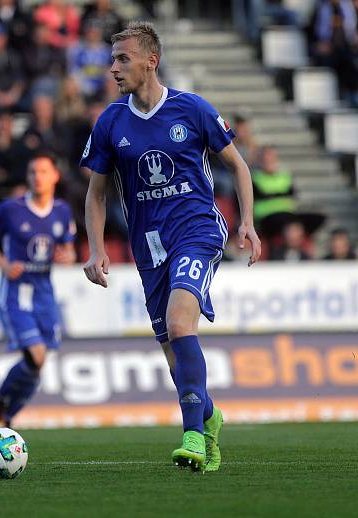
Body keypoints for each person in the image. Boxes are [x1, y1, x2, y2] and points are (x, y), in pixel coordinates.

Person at [80, 22, 261, 472]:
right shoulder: (111, 122)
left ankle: (193, 437)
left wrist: (248, 223)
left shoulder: (191, 108)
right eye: (112, 58)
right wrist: (97, 247)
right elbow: (97, 193)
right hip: (149, 249)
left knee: (182, 325)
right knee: (172, 353)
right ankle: (210, 417)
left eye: (123, 58)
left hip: (198, 232)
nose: (113, 67)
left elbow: (238, 167)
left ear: (150, 61)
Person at [0, 152, 76, 428]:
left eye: (44, 172)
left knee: (39, 363)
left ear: (55, 176)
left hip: (45, 291)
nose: (38, 177)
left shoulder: (62, 211)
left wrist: (67, 257)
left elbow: (68, 248)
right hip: (17, 292)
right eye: (33, 172)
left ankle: (6, 414)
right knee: (34, 355)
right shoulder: (11, 209)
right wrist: (3, 263)